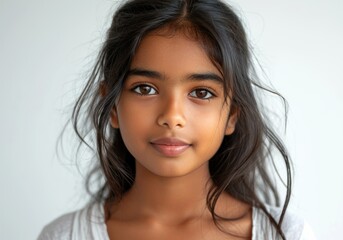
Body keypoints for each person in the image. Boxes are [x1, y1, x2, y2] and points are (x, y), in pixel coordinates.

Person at [38, 0, 315, 239]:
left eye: (201, 93)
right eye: (145, 88)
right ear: (111, 105)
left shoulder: (286, 235)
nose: (172, 116)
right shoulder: (63, 236)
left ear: (232, 114)